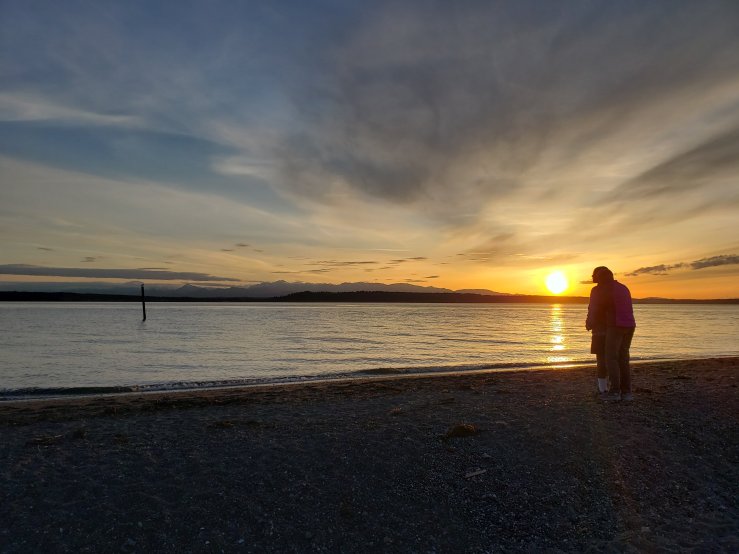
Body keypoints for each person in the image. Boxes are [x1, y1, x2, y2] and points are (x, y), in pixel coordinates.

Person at [585, 266, 636, 401]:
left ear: (600, 277)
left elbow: (594, 308)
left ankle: (614, 392)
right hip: (630, 325)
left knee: (611, 358)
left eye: (594, 275)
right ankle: (626, 393)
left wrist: (589, 323)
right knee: (623, 358)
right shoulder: (623, 287)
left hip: (615, 325)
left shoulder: (601, 289)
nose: (593, 278)